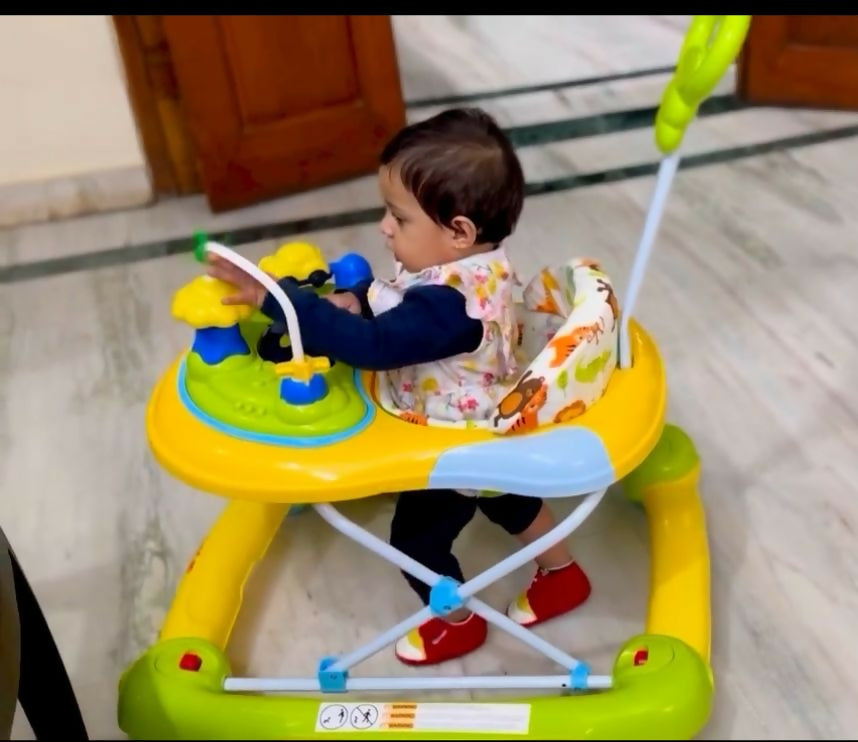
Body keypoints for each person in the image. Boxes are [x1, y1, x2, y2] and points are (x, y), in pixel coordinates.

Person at [207, 107, 591, 666]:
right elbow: (401, 301)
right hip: (488, 418)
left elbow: (377, 346)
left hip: (451, 442)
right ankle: (563, 574)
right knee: (509, 499)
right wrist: (355, 299)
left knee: (416, 540)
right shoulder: (473, 265)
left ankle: (457, 623)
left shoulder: (449, 306)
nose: (385, 227)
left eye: (399, 217)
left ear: (458, 231)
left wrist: (282, 303)